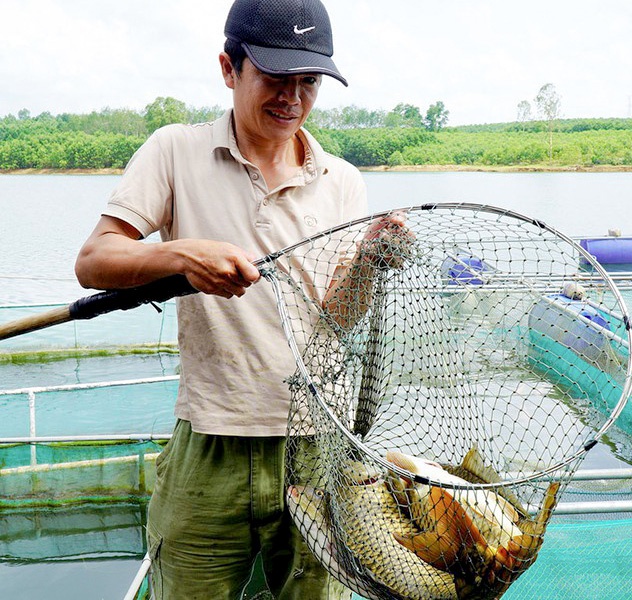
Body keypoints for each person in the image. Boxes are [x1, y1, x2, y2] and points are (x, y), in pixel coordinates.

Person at [74, 0, 409, 598]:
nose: (292, 98)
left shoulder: (343, 181)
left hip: (318, 447)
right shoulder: (175, 150)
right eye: (276, 78)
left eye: (309, 82)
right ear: (229, 69)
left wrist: (372, 264)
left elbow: (335, 317)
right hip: (211, 440)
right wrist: (183, 255)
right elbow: (95, 260)